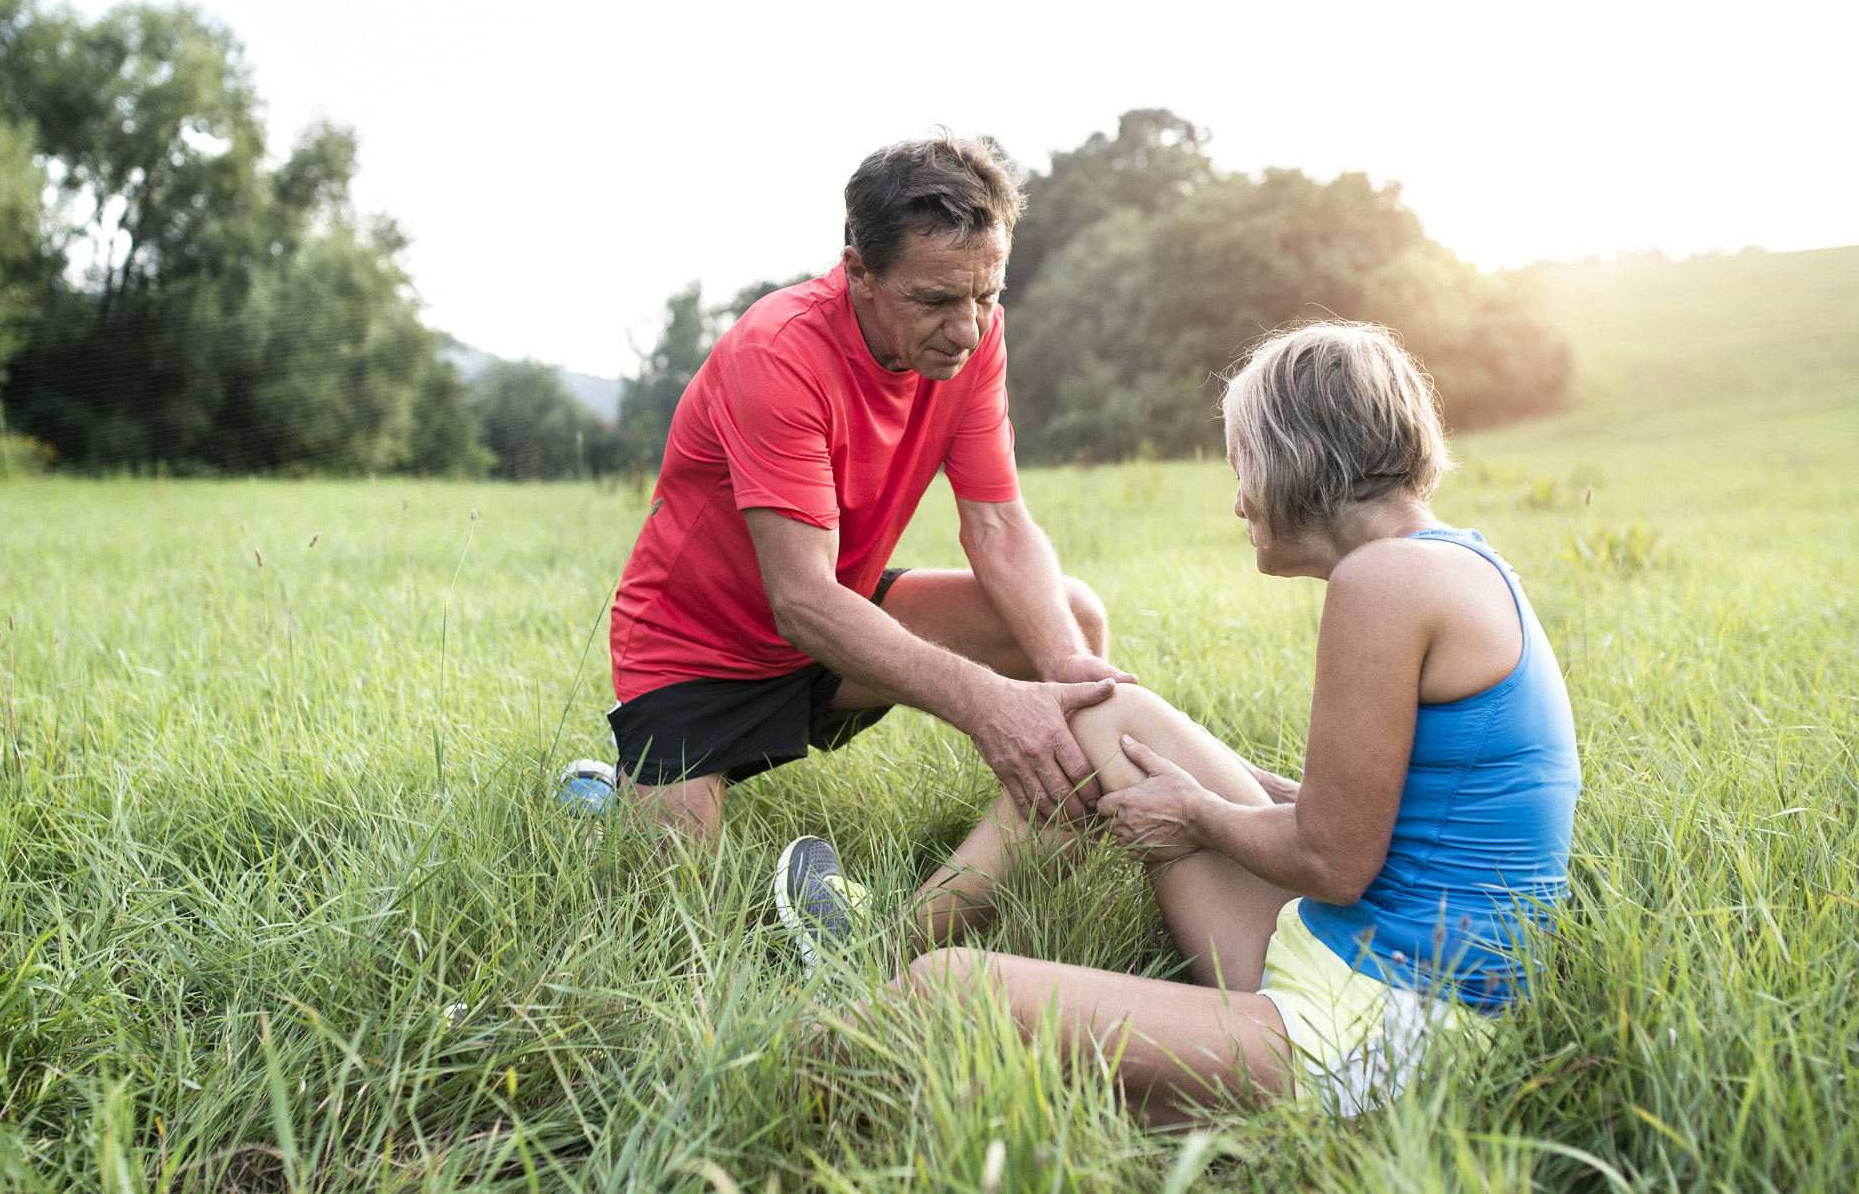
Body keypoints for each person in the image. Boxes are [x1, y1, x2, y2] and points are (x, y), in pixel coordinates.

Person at [789, 322, 1582, 1122]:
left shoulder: (1384, 582)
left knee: (952, 990)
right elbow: (1402, 807)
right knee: (1113, 718)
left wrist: (1195, 810)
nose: (1240, 500)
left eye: (1244, 467)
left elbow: (1333, 859)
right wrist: (1225, 786)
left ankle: (765, 1090)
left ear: (1296, 456)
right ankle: (878, 947)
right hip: (1354, 953)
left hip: (1384, 1032)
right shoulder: (1446, 560)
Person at [570, 132, 1133, 905]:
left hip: (839, 622)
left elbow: (998, 524)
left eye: (986, 295)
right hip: (698, 651)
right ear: (858, 269)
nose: (967, 328)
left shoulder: (971, 342)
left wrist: (1062, 668)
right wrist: (989, 704)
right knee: (669, 911)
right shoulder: (777, 353)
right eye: (935, 300)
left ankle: (921, 924)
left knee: (1071, 620)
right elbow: (797, 598)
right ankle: (615, 791)